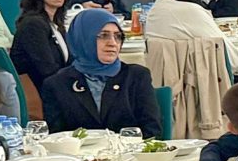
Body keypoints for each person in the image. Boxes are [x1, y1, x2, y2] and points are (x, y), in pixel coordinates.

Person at [36, 8, 160, 136]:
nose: (112, 43)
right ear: (83, 39)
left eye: (118, 36)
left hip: (130, 148)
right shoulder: (57, 84)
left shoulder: (137, 76)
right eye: (104, 36)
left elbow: (152, 131)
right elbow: (56, 138)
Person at [9, 0, 71, 93]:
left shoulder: (57, 25)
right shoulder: (32, 25)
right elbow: (47, 69)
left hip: (57, 87)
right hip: (42, 92)